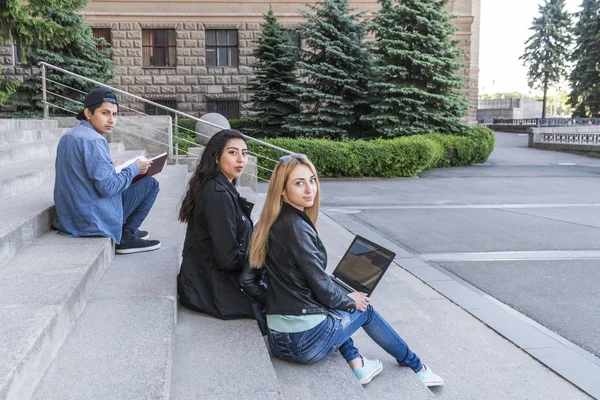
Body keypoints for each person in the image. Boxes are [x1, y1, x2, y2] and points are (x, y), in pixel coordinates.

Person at [240, 154, 444, 387]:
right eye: (299, 183)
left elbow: (248, 280)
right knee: (363, 309)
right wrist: (349, 300)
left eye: (312, 180)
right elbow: (323, 291)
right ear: (283, 191)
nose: (310, 189)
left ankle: (356, 363)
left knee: (332, 306)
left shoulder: (267, 223)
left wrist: (281, 300)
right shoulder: (297, 228)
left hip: (278, 338)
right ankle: (417, 366)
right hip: (304, 344)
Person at [54, 87, 161, 254]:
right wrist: (134, 168)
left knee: (135, 178)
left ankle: (124, 230)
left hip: (72, 217)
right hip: (91, 219)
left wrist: (112, 166)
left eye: (114, 114)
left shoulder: (70, 135)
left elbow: (80, 173)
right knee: (150, 184)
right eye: (105, 113)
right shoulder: (94, 141)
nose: (111, 120)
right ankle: (125, 236)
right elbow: (108, 187)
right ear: (88, 113)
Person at [177, 129, 258, 320]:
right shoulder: (218, 195)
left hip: (204, 281)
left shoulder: (220, 186)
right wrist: (263, 260)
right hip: (211, 289)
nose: (241, 159)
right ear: (216, 157)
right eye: (232, 152)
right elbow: (227, 258)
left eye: (244, 153)